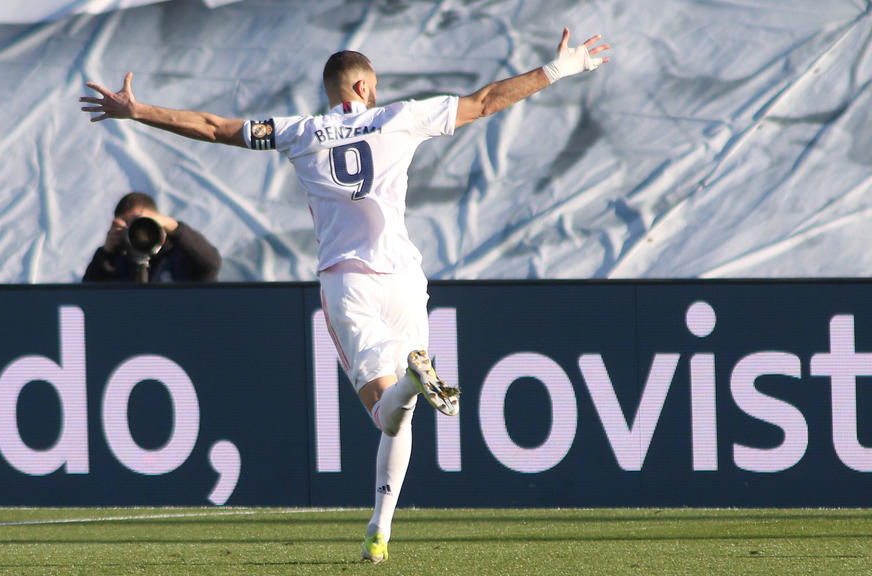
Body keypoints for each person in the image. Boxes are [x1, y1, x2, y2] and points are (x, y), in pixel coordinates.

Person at [80, 27, 609, 562]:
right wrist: (560, 68)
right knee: (399, 419)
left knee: (384, 413)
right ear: (362, 87)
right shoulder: (400, 117)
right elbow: (487, 101)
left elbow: (216, 127)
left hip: (348, 283)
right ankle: (380, 529)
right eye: (373, 86)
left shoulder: (299, 131)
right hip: (404, 278)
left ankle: (407, 390)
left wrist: (138, 110)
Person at [83, 191, 221, 283]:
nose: (137, 231)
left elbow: (211, 263)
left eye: (141, 223)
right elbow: (86, 299)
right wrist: (106, 254)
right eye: (127, 225)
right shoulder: (116, 263)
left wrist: (172, 226)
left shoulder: (182, 257)